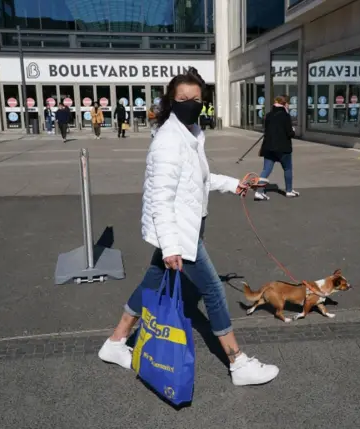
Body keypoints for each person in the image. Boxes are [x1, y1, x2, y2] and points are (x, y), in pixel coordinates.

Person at [97, 67, 280, 387]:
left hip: (184, 227)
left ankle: (115, 342)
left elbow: (199, 181)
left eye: (197, 99)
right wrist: (170, 247)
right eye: (183, 99)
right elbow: (160, 199)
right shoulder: (169, 141)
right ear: (171, 100)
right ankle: (237, 362)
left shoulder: (192, 133)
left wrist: (235, 184)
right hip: (180, 233)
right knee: (212, 291)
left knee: (151, 286)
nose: (191, 104)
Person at [254, 96, 299, 201]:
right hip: (283, 147)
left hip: (269, 147)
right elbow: (290, 133)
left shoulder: (268, 115)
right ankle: (289, 191)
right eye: (288, 104)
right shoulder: (285, 116)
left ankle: (259, 192)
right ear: (285, 104)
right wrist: (293, 130)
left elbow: (266, 130)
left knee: (266, 170)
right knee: (287, 168)